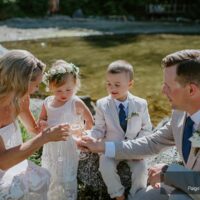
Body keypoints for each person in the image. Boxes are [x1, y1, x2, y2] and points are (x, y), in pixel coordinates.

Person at [79, 49, 200, 200]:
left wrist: (168, 173)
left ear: (191, 90)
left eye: (168, 86)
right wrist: (103, 146)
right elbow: (153, 142)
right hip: (186, 187)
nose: (163, 91)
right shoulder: (180, 115)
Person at [0, 49, 69, 200]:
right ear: (21, 82)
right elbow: (2, 161)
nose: (38, 89)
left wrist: (47, 126)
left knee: (42, 177)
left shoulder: (21, 99)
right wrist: (44, 138)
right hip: (4, 164)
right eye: (36, 85)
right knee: (18, 187)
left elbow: (34, 129)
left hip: (13, 162)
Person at [87, 60, 152, 200]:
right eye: (108, 84)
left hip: (133, 147)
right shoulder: (102, 104)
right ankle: (118, 194)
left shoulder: (141, 104)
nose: (112, 88)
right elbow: (99, 128)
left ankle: (136, 195)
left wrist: (140, 147)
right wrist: (91, 137)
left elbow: (146, 128)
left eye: (117, 85)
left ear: (130, 84)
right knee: (105, 166)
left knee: (141, 170)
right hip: (110, 147)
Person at [38, 60, 94, 200]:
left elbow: (90, 121)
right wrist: (43, 124)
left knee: (67, 175)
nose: (64, 94)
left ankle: (67, 197)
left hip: (68, 144)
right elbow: (42, 119)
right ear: (50, 87)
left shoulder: (75, 102)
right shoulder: (48, 102)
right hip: (51, 143)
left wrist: (84, 135)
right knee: (51, 173)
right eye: (59, 90)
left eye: (68, 90)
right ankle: (51, 196)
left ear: (75, 85)